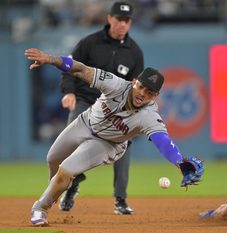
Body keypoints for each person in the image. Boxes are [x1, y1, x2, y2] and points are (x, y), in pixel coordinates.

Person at [24, 48, 204, 226]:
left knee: (66, 170)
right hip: (85, 124)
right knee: (52, 159)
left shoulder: (149, 116)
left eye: (149, 92)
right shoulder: (115, 84)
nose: (142, 94)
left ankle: (40, 207)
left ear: (156, 96)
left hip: (107, 144)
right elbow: (82, 69)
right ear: (134, 82)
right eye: (141, 87)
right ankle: (57, 188)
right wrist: (50, 59)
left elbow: (162, 141)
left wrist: (179, 162)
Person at [59, 1, 144, 215]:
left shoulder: (134, 51)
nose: (122, 24)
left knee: (124, 147)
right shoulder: (89, 43)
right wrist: (69, 92)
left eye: (127, 20)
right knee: (67, 145)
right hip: (86, 101)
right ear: (109, 18)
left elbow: (137, 87)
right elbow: (69, 68)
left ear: (130, 22)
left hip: (114, 109)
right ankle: (71, 185)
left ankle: (121, 199)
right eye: (119, 19)